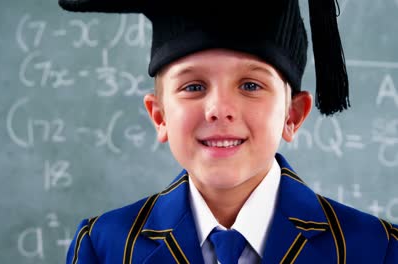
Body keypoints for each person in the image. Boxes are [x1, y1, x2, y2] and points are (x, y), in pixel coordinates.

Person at [58, 0, 398, 263]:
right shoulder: (105, 247)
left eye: (250, 84)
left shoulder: (376, 249)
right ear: (159, 116)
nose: (219, 109)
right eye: (193, 86)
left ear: (292, 115)